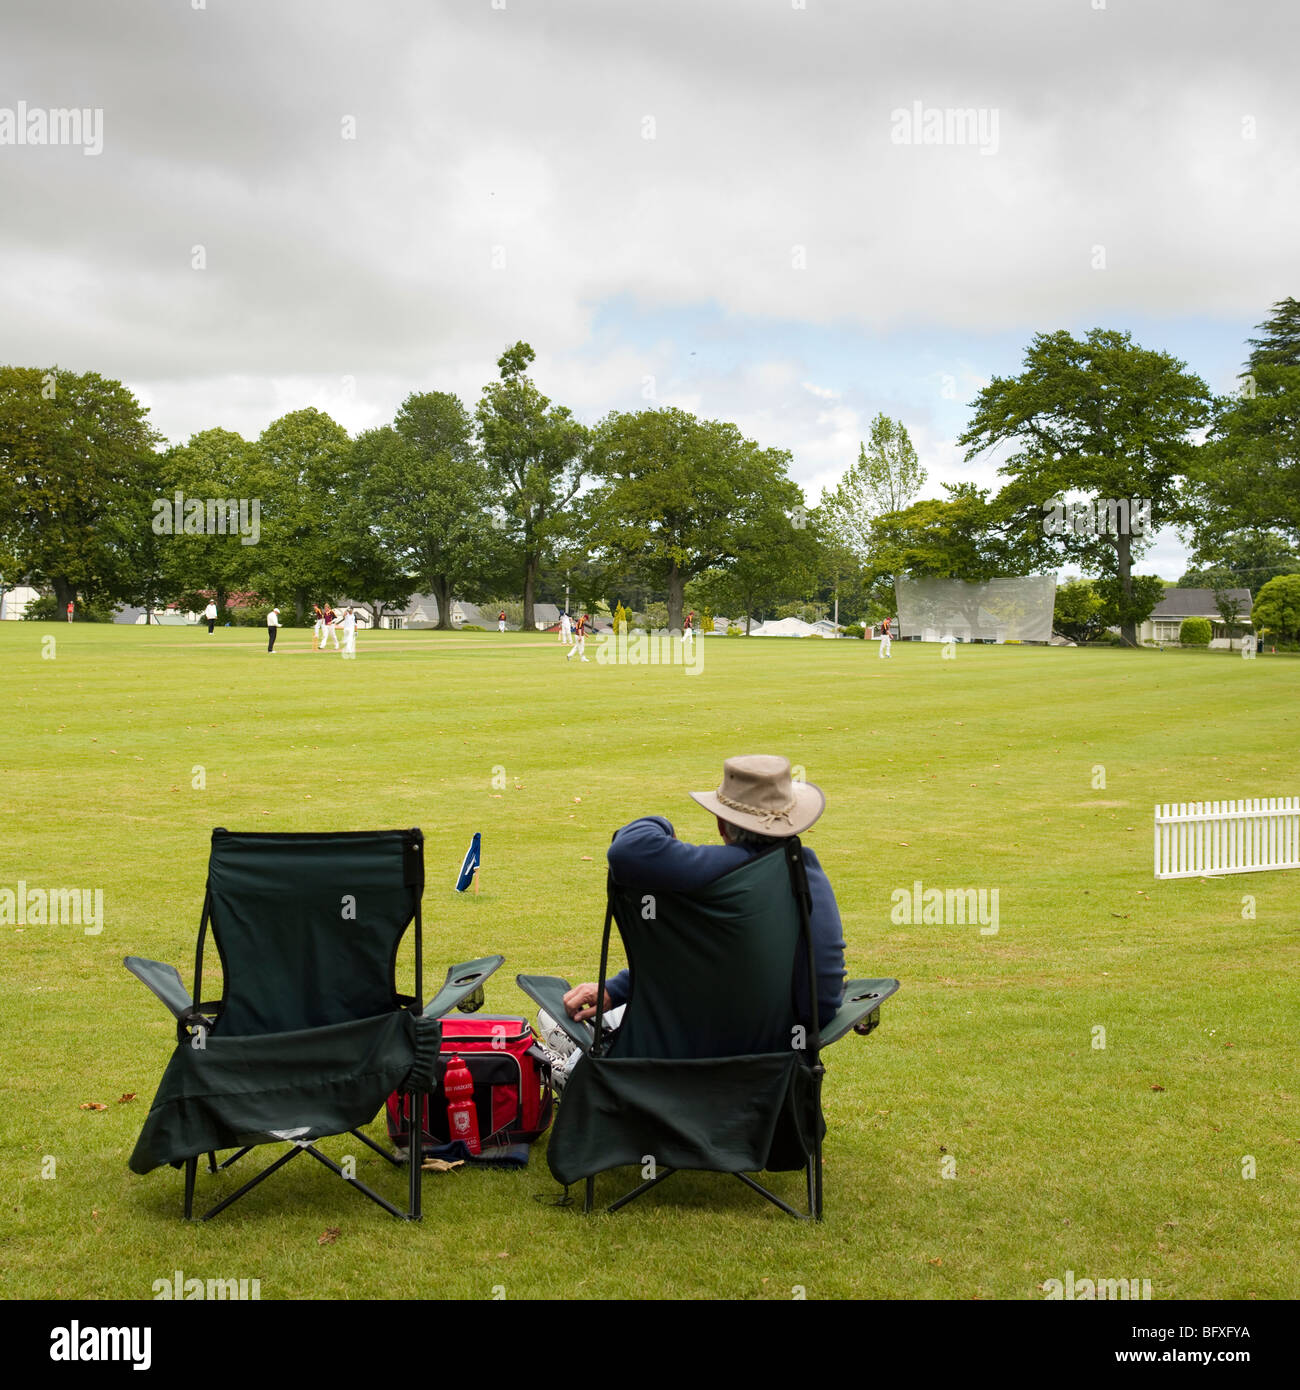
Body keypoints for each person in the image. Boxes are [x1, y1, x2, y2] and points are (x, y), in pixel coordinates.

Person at [541, 756, 846, 1084]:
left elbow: (629, 848)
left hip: (672, 1061)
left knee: (555, 1015)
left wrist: (663, 824)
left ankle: (577, 1068)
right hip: (766, 1077)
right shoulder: (807, 879)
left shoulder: (705, 871)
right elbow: (822, 1002)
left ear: (721, 824)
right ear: (793, 822)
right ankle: (580, 1058)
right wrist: (616, 989)